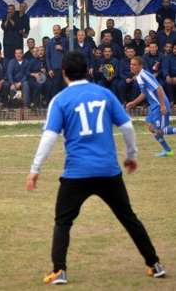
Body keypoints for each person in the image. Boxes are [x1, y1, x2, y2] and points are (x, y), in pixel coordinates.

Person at [26, 51, 166, 285]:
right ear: (88, 71)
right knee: (128, 217)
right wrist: (131, 155)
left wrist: (35, 169)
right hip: (108, 171)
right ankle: (154, 264)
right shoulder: (105, 94)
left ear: (64, 73)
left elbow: (49, 136)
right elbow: (128, 127)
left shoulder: (60, 100)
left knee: (63, 221)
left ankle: (59, 271)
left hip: (76, 173)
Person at [126, 57, 175, 157]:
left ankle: (168, 150)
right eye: (131, 64)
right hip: (154, 106)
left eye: (134, 64)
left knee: (160, 130)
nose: (132, 66)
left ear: (140, 66)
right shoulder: (139, 76)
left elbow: (159, 88)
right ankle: (168, 150)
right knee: (151, 127)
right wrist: (133, 103)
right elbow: (144, 93)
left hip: (159, 105)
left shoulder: (144, 75)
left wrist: (162, 106)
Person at [46, 25, 67, 99]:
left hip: (65, 68)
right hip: (55, 69)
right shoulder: (50, 42)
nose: (56, 31)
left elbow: (70, 53)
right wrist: (49, 69)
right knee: (55, 88)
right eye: (54, 30)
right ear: (53, 31)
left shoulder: (65, 40)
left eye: (57, 30)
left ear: (60, 30)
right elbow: (47, 57)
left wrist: (62, 49)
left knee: (65, 87)